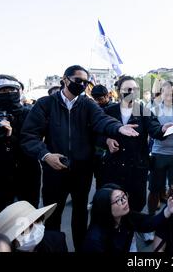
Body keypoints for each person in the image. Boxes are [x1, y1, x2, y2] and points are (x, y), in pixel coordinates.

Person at [20, 65, 140, 251]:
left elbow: (101, 119)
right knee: (52, 218)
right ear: (65, 79)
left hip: (82, 171)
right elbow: (29, 136)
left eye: (86, 82)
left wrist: (117, 128)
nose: (82, 85)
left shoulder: (87, 104)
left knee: (80, 216)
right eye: (78, 81)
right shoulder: (45, 104)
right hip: (54, 171)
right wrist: (46, 155)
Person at [96, 76, 172, 211]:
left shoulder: (143, 111)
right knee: (113, 203)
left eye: (135, 89)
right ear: (119, 91)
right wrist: (106, 141)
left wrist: (162, 129)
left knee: (137, 202)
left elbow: (154, 129)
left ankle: (135, 229)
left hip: (137, 165)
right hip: (113, 166)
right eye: (127, 89)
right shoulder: (108, 111)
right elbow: (96, 134)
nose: (131, 92)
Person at [0, 75, 41, 229]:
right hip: (1, 171)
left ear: (18, 90)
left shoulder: (30, 113)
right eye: (1, 90)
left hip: (28, 171)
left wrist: (9, 135)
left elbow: (32, 145)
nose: (7, 93)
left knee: (28, 218)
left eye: (11, 89)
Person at [82, 183, 173, 252]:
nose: (125, 201)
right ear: (105, 207)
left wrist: (168, 210)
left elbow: (148, 223)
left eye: (124, 196)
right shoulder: (94, 240)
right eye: (118, 200)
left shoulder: (126, 217)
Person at [148, 81, 173, 218]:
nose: (171, 96)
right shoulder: (153, 110)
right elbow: (152, 132)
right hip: (159, 154)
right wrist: (162, 130)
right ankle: (150, 220)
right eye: (168, 93)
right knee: (154, 190)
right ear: (162, 94)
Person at [0, 201, 68, 252]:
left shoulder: (57, 241)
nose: (36, 228)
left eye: (37, 220)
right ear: (12, 240)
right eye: (25, 230)